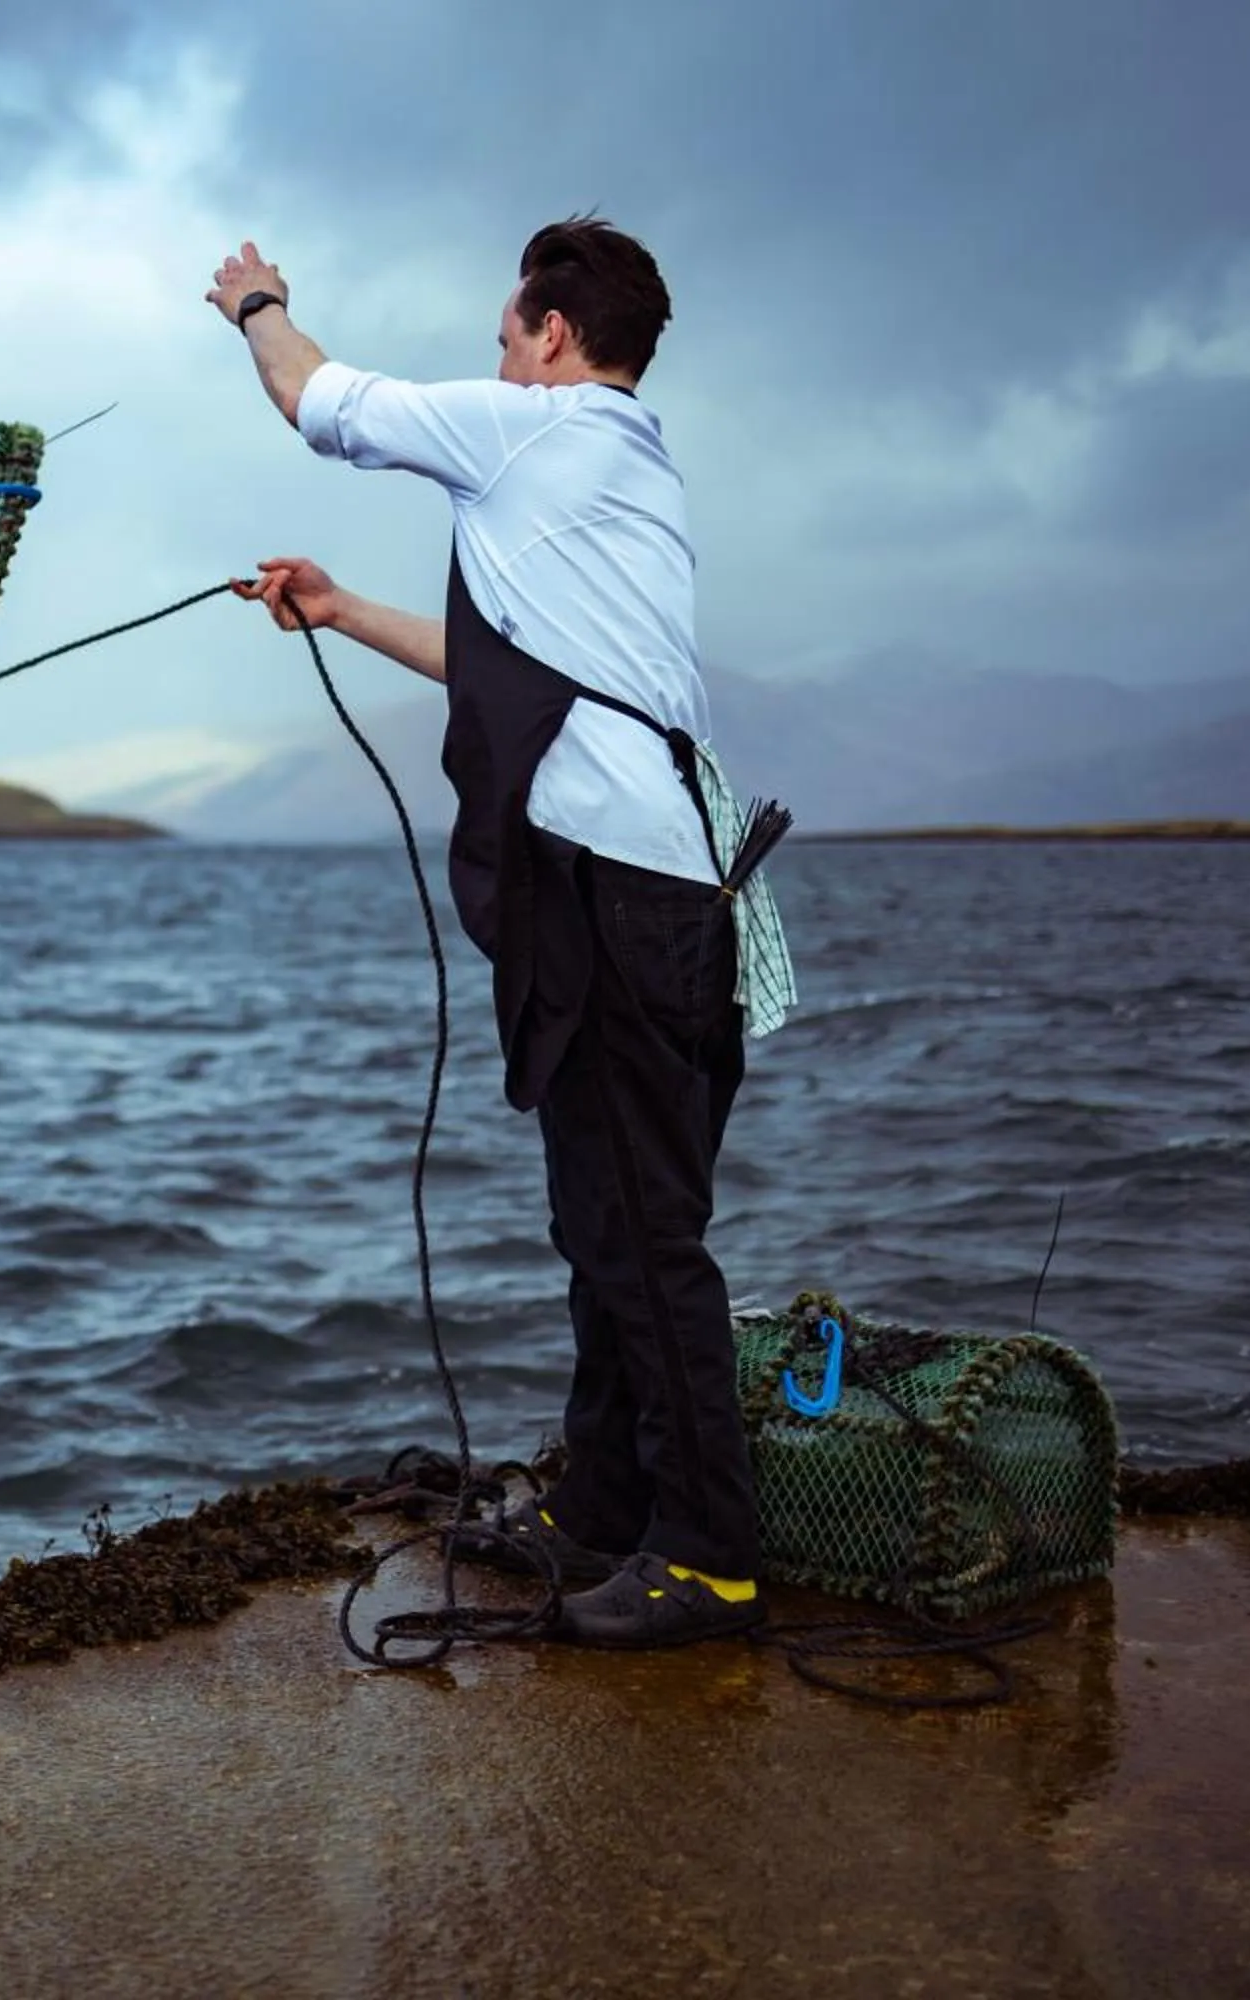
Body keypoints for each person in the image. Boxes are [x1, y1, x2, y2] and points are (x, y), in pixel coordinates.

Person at [206, 218, 777, 1647]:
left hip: (621, 900)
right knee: (606, 1223)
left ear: (555, 337)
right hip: (661, 902)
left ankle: (709, 1557)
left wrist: (259, 305)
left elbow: (317, 401)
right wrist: (338, 609)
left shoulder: (542, 431)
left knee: (644, 1240)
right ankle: (601, 1515)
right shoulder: (615, 476)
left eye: (506, 336)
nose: (499, 358)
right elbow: (504, 670)